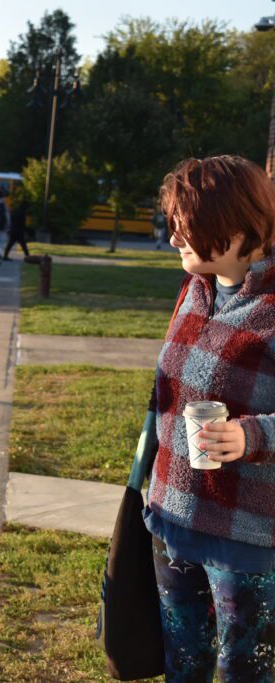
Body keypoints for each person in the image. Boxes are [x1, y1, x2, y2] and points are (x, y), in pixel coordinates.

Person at [143, 155, 275, 682]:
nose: (174, 237)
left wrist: (252, 434)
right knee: (183, 667)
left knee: (243, 672)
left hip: (247, 535)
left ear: (236, 228)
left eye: (185, 225)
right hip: (174, 520)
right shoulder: (196, 289)